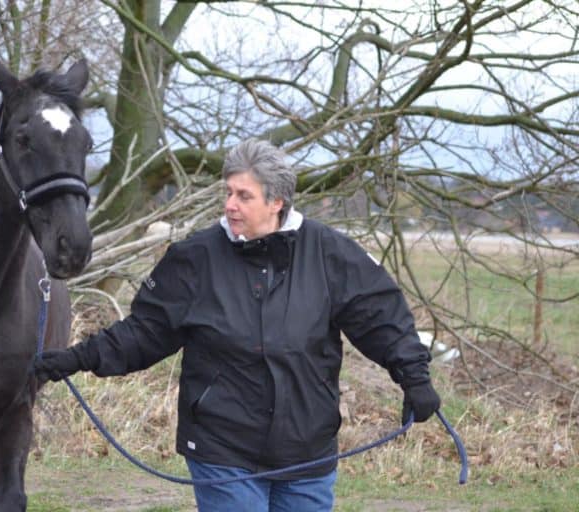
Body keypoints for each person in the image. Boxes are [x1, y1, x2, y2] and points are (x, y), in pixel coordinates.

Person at [32, 138, 441, 512]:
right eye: (228, 193)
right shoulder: (194, 259)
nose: (230, 205)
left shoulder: (329, 253)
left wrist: (414, 378)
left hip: (308, 450)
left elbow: (381, 317)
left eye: (244, 196)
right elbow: (144, 332)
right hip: (222, 448)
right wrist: (76, 358)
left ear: (277, 201)